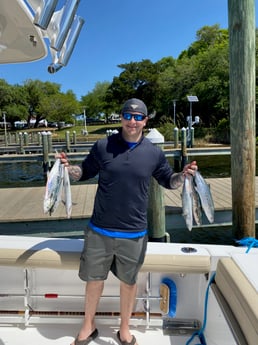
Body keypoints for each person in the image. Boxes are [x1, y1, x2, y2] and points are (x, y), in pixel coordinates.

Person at [60, 98, 198, 345]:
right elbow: (84, 172)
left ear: (145, 121)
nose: (132, 121)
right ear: (121, 118)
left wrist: (183, 175)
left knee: (129, 282)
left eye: (138, 117)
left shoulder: (154, 153)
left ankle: (124, 328)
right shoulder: (103, 146)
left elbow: (169, 180)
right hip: (99, 230)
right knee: (94, 281)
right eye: (128, 115)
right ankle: (87, 325)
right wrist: (67, 169)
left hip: (133, 232)